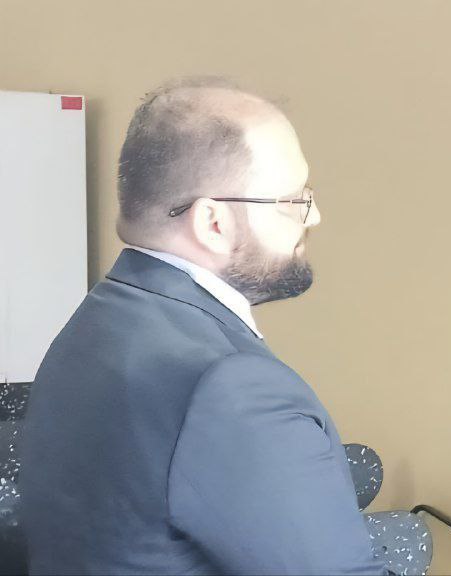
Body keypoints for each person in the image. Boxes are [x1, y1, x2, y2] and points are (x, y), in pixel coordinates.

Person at [19, 78, 383, 574]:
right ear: (214, 222)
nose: (314, 216)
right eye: (293, 200)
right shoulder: (230, 382)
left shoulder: (96, 322)